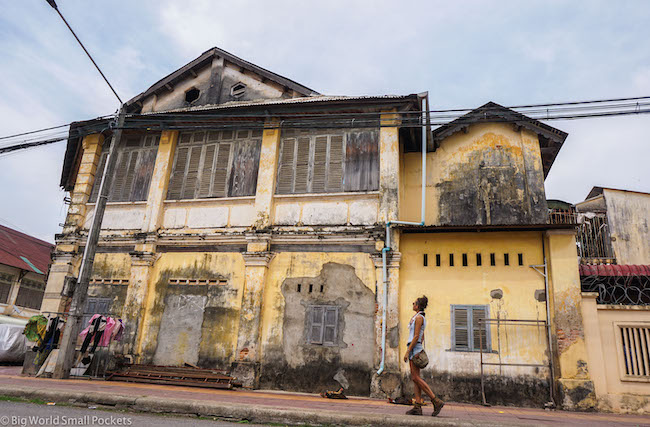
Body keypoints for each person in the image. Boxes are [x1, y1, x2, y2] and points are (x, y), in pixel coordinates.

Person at [404, 295, 445, 416]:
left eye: (414, 303)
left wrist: (408, 351)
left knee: (416, 378)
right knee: (415, 378)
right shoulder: (418, 317)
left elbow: (416, 336)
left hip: (414, 349)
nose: (412, 304)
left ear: (418, 305)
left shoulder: (419, 318)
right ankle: (417, 406)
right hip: (414, 347)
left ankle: (435, 400)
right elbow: (421, 336)